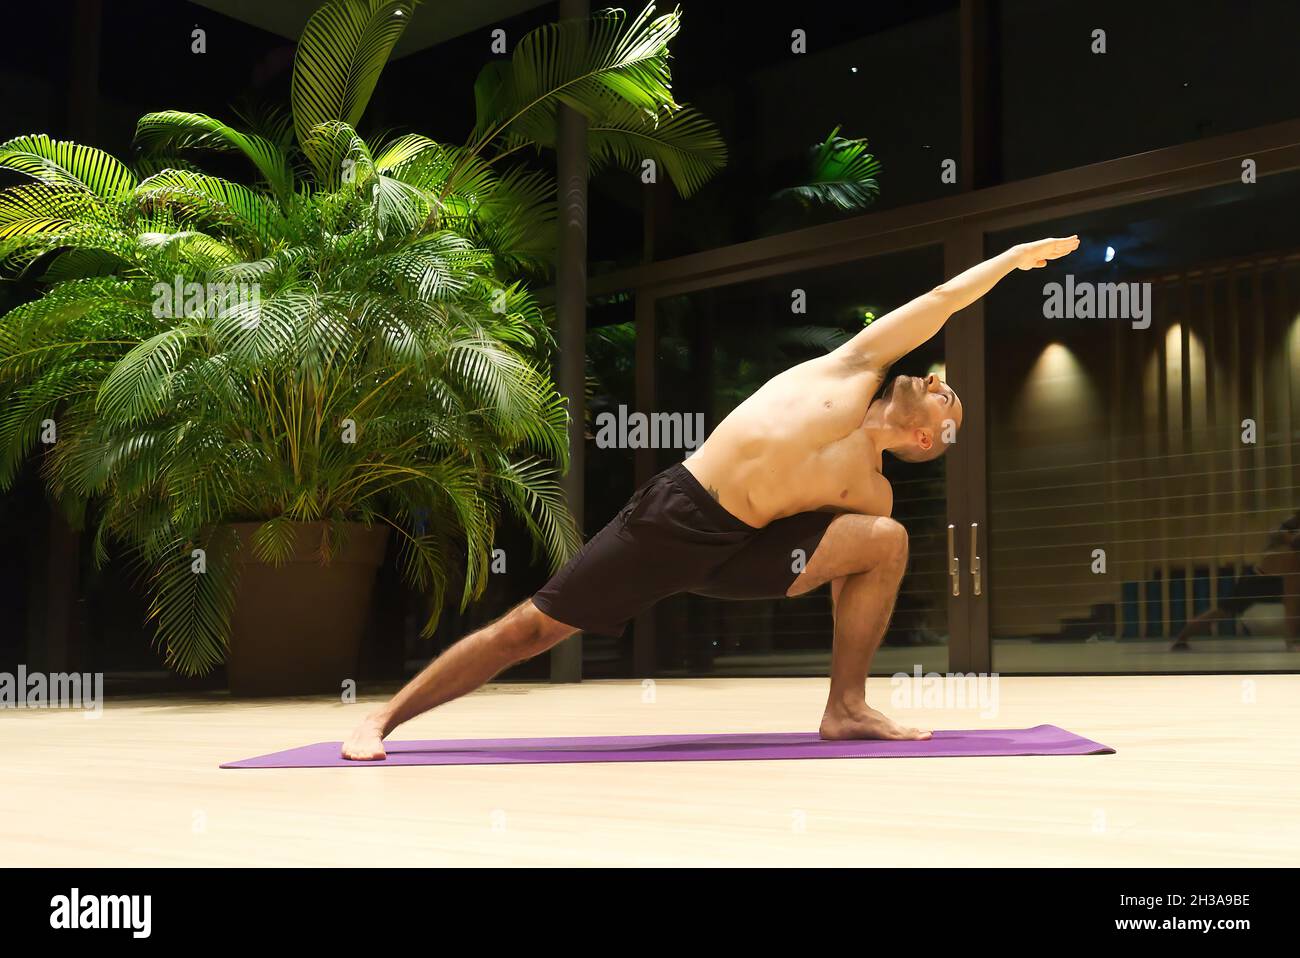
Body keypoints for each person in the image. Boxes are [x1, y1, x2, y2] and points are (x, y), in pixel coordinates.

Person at [342, 236, 1081, 759]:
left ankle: (845, 706)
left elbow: (836, 564)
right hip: (677, 516)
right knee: (529, 632)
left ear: (926, 442)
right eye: (942, 383)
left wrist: (813, 570)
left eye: (948, 403)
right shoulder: (849, 369)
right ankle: (383, 716)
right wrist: (1014, 261)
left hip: (746, 553)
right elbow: (945, 298)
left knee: (886, 542)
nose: (936, 382)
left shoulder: (872, 491)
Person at [1169, 511, 1300, 651]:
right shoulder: (1288, 547)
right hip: (1256, 581)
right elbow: (1290, 601)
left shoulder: (1287, 538)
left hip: (1271, 576)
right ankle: (1182, 638)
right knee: (1223, 610)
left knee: (1223, 610)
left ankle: (1182, 638)